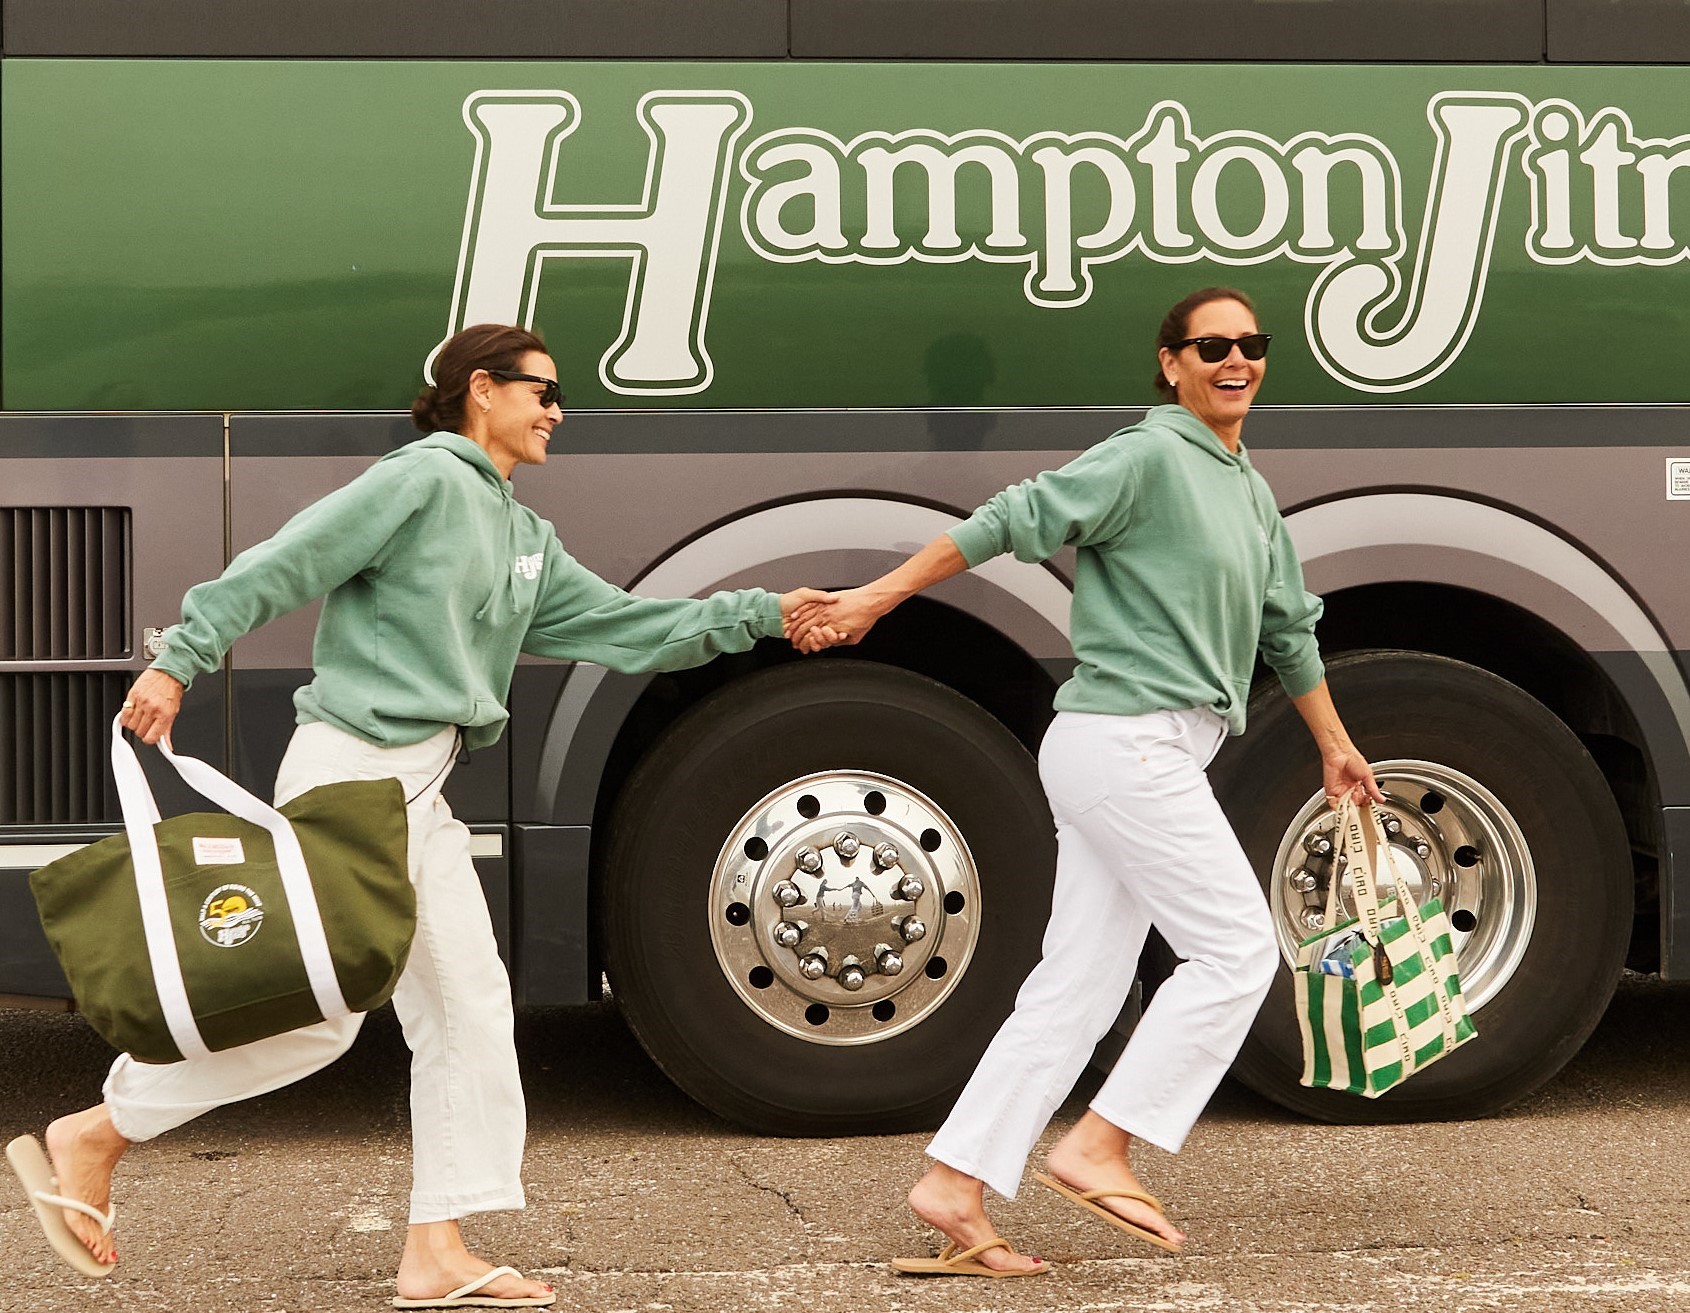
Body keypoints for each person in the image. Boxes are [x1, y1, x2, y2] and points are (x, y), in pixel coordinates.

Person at [14, 324, 837, 1307]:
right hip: (355, 778)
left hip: (417, 792)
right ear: (479, 389)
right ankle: (95, 1132)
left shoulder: (522, 537)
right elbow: (290, 558)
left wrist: (762, 614)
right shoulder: (421, 479)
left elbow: (629, 628)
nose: (556, 410)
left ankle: (434, 1245)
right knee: (322, 1013)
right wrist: (180, 654)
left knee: (466, 1008)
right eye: (540, 389)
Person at [789, 288, 1384, 1277]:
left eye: (1250, 344)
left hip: (1147, 746)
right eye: (1210, 345)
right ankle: (1102, 1142)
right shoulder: (1146, 456)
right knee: (1236, 947)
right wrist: (877, 595)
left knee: (1079, 984)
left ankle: (953, 1180)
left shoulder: (1246, 489)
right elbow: (1013, 518)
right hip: (1123, 741)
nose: (1234, 358)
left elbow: (1288, 630)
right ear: (1169, 362)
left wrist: (1334, 742)